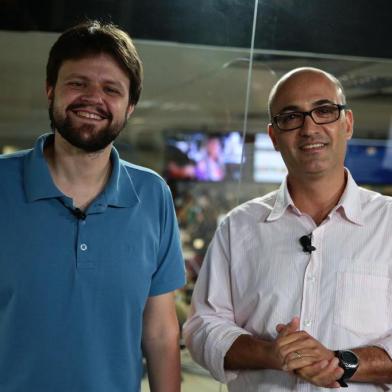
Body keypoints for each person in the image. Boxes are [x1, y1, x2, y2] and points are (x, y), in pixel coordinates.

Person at [0, 20, 185, 392]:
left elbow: (161, 333)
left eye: (111, 89)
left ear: (129, 106)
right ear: (50, 90)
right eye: (77, 83)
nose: (92, 98)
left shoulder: (152, 196)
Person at [183, 67, 392, 391]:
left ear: (347, 123)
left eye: (324, 111)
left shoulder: (387, 225)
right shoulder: (240, 227)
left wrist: (341, 363)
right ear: (273, 136)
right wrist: (271, 354)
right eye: (291, 116)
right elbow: (202, 327)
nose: (309, 128)